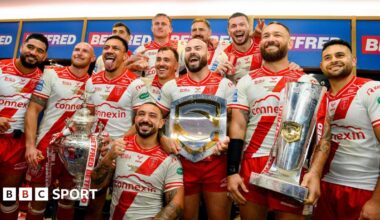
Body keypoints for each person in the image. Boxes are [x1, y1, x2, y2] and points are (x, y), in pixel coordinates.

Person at [226, 22, 328, 220]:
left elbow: (322, 135)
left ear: (290, 43)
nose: (271, 39)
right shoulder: (246, 81)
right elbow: (237, 126)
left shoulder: (307, 82)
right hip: (252, 164)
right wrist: (232, 171)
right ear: (260, 42)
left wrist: (314, 173)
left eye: (277, 35)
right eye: (266, 35)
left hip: (292, 167)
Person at [157, 38, 234, 220]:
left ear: (208, 53)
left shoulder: (226, 85)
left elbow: (235, 123)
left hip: (216, 163)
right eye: (188, 49)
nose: (192, 52)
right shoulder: (171, 86)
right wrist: (162, 138)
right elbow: (154, 118)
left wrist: (228, 140)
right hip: (181, 164)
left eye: (198, 48)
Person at [24, 42, 95, 220]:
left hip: (75, 152)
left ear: (93, 58)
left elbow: (93, 119)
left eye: (85, 51)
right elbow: (33, 110)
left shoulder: (93, 83)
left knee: (67, 201)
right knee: (38, 201)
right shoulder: (52, 74)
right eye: (76, 49)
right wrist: (30, 146)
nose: (79, 53)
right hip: (46, 147)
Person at [312, 39, 380, 220]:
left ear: (354, 60)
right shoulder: (320, 98)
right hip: (325, 187)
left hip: (363, 188)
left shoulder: (371, 89)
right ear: (321, 65)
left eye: (340, 55)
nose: (333, 60)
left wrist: (377, 201)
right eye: (328, 57)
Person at [84, 35, 150, 220]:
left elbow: (141, 122)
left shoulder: (136, 84)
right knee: (93, 205)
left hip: (126, 150)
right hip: (98, 151)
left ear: (124, 56)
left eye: (115, 48)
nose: (109, 51)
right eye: (106, 48)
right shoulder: (92, 81)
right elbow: (88, 116)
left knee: (123, 206)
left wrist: (118, 142)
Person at [91, 102, 184, 219]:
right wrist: (108, 158)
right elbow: (94, 186)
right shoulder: (119, 148)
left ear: (161, 123)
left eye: (152, 116)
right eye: (141, 114)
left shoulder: (170, 159)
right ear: (135, 120)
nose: (145, 119)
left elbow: (176, 206)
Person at [0, 33, 48, 220]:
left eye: (39, 51)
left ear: (43, 57)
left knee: (8, 196)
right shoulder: (2, 67)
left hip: (19, 144)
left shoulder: (43, 80)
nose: (33, 52)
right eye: (30, 47)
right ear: (21, 47)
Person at [133, 13, 184, 78]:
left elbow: (191, 69)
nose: (160, 27)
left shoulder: (181, 47)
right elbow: (133, 74)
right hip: (150, 87)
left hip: (172, 87)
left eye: (163, 24)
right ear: (152, 28)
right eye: (157, 24)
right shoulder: (142, 49)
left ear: (170, 29)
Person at [215, 12, 262, 84]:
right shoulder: (224, 55)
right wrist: (217, 74)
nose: (238, 29)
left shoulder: (263, 45)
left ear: (249, 27)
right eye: (233, 26)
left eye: (242, 25)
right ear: (228, 31)